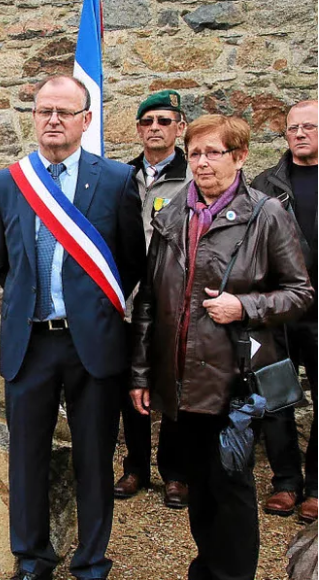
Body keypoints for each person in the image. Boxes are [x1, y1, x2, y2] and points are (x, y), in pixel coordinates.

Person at [131, 114, 313, 580]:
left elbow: (300, 293)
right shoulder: (172, 215)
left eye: (213, 152)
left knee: (230, 488)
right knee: (200, 486)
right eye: (194, 153)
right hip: (181, 379)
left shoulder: (266, 214)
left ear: (240, 156)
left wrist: (245, 306)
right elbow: (149, 300)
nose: (202, 162)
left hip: (234, 381)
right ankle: (207, 570)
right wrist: (142, 374)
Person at [0, 75, 145, 580]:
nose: (53, 120)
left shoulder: (117, 180)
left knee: (94, 459)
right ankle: (32, 558)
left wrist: (88, 307)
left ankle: (91, 561)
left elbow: (130, 262)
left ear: (86, 120)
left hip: (91, 343)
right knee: (26, 458)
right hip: (30, 341)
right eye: (44, 111)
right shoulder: (7, 182)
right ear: (34, 117)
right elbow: (1, 262)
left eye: (64, 112)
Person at [115, 90, 192, 508]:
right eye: (148, 122)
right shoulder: (122, 176)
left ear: (180, 127)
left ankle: (175, 472)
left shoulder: (192, 176)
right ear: (138, 129)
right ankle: (136, 467)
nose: (155, 128)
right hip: (131, 296)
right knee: (132, 382)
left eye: (164, 121)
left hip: (173, 297)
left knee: (173, 383)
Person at [251, 99, 319, 522]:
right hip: (278, 310)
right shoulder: (265, 183)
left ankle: (316, 487)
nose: (299, 134)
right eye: (293, 128)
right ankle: (287, 482)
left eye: (309, 127)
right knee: (275, 396)